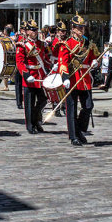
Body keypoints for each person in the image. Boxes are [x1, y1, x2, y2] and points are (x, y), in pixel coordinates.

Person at [58, 14, 98, 145]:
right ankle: (73, 136)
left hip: (85, 79)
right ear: (73, 29)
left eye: (83, 28)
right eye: (79, 28)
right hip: (72, 78)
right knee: (72, 108)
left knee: (88, 106)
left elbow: (92, 56)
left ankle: (79, 130)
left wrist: (94, 62)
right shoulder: (67, 43)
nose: (81, 30)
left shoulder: (87, 42)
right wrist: (65, 77)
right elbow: (63, 62)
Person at [15, 20, 49, 136]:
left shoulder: (41, 44)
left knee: (43, 100)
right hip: (29, 77)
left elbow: (45, 59)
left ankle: (36, 120)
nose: (35, 32)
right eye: (32, 30)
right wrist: (26, 74)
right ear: (27, 31)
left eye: (36, 30)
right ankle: (30, 125)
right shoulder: (22, 44)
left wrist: (51, 66)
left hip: (40, 76)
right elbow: (19, 62)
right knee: (29, 103)